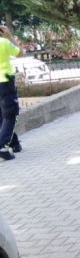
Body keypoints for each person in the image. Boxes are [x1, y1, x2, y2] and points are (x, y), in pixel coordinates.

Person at [0, 25, 25, 161]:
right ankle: (2, 147)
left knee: (2, 116)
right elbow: (21, 53)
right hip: (4, 83)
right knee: (10, 115)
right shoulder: (3, 42)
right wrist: (9, 36)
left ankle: (14, 144)